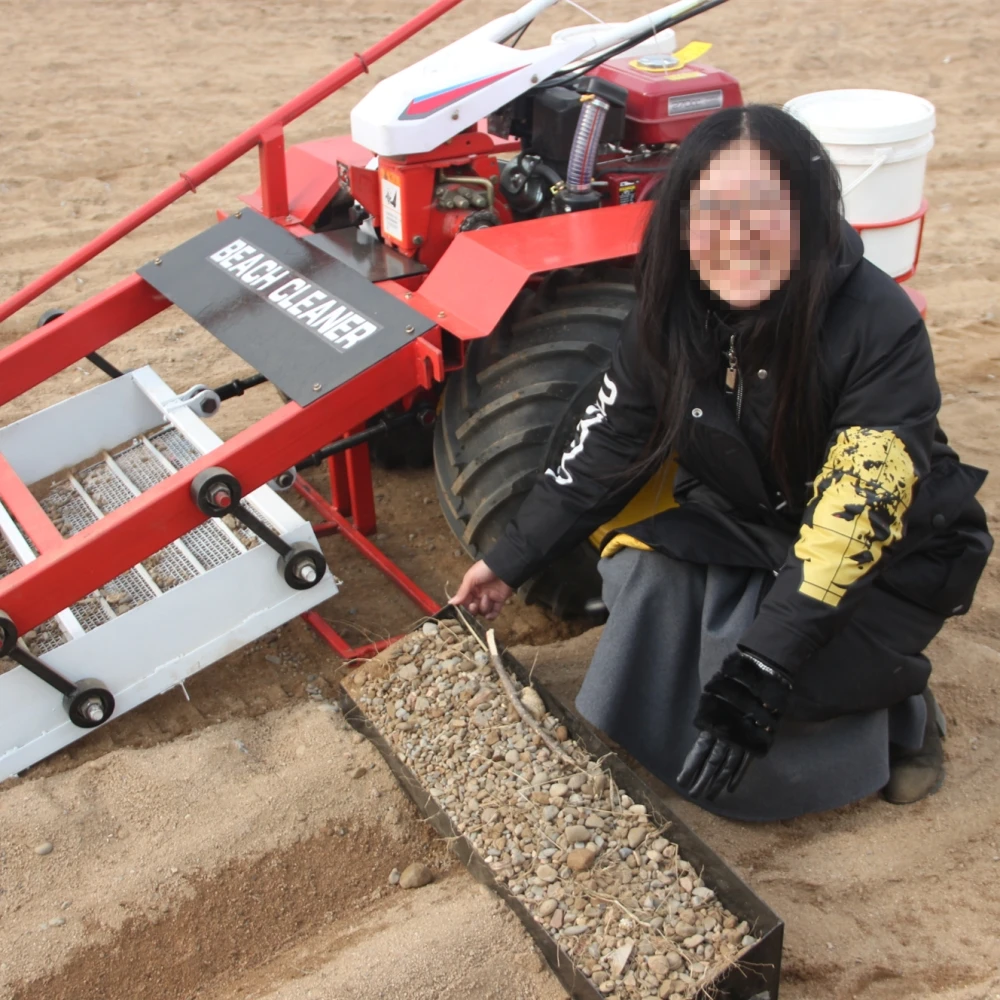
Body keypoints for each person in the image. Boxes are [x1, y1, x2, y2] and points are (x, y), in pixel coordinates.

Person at [450, 104, 992, 821]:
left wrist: (761, 671)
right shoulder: (668, 311)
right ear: (680, 220)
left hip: (889, 549)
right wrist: (510, 559)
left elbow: (852, 522)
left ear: (809, 212)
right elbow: (602, 445)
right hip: (755, 510)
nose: (736, 234)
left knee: (790, 664)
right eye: (711, 209)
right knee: (644, 570)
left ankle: (904, 715)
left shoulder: (877, 323)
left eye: (765, 206)